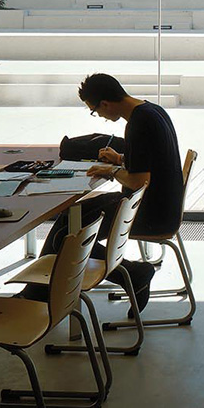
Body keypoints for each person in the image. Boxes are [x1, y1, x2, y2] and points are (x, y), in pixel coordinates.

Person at [30, 73, 184, 313]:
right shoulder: (151, 111)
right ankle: (37, 292)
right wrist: (122, 158)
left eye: (94, 110)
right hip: (161, 204)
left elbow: (139, 181)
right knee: (72, 215)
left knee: (68, 235)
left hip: (150, 214)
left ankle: (133, 274)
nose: (99, 116)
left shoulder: (138, 124)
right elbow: (154, 161)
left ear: (105, 104)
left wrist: (111, 171)